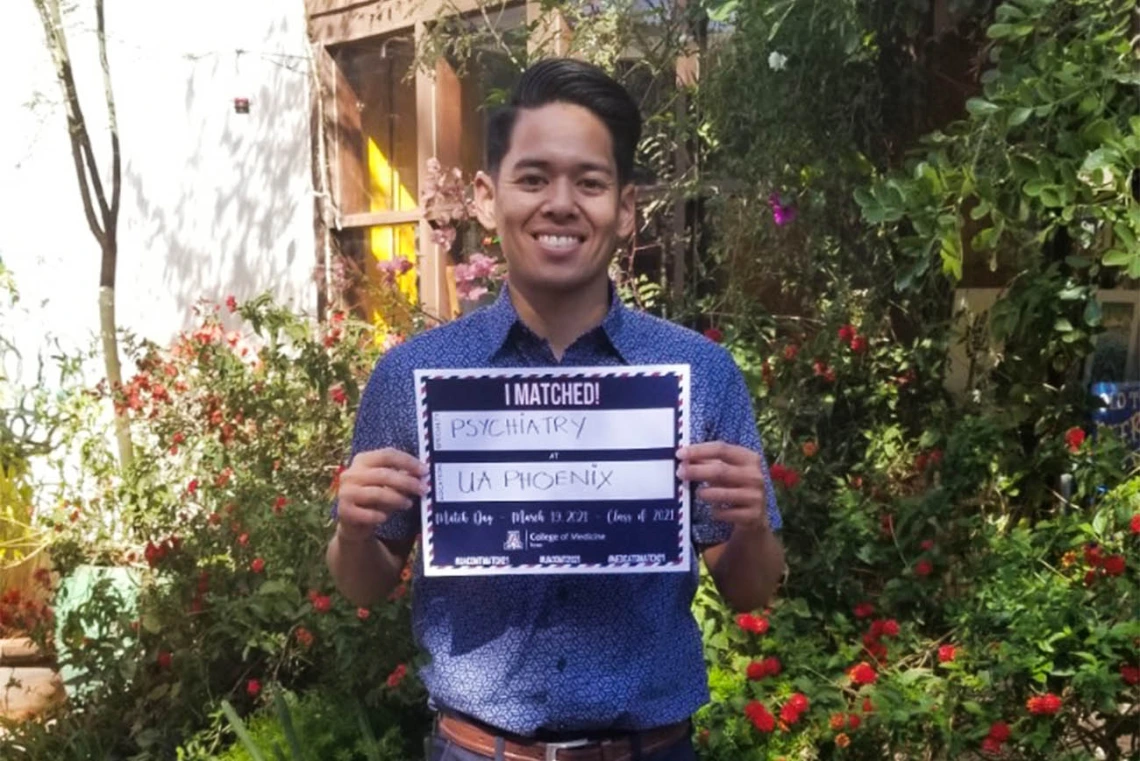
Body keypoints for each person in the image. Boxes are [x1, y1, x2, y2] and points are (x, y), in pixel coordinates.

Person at [328, 57, 785, 761]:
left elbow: (750, 590)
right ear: (486, 196)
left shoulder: (699, 375)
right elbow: (364, 581)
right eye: (534, 178)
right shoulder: (414, 375)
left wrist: (751, 522)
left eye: (590, 182)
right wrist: (355, 531)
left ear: (625, 208)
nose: (561, 203)